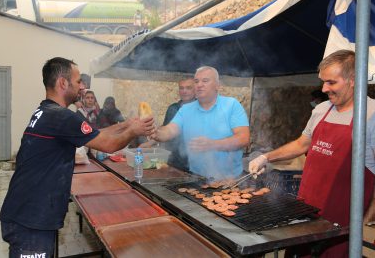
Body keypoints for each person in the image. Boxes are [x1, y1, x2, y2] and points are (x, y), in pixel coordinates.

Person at [0, 57, 154, 258]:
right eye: (79, 81)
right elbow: (109, 144)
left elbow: (96, 133)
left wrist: (126, 125)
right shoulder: (61, 116)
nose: (82, 86)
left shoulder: (47, 111)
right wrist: (134, 130)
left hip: (27, 212)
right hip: (31, 218)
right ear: (63, 83)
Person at [248, 50, 375, 257]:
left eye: (331, 82)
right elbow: (301, 144)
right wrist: (266, 157)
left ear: (353, 80)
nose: (324, 89)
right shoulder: (322, 109)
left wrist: (367, 217)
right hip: (305, 211)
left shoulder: (371, 114)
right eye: (323, 82)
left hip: (341, 220)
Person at [152, 66, 250, 179]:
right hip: (197, 177)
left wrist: (212, 144)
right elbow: (169, 130)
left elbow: (244, 138)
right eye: (196, 81)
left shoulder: (231, 105)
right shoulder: (185, 109)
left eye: (205, 81)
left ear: (217, 85)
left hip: (230, 179)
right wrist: (156, 132)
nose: (199, 85)